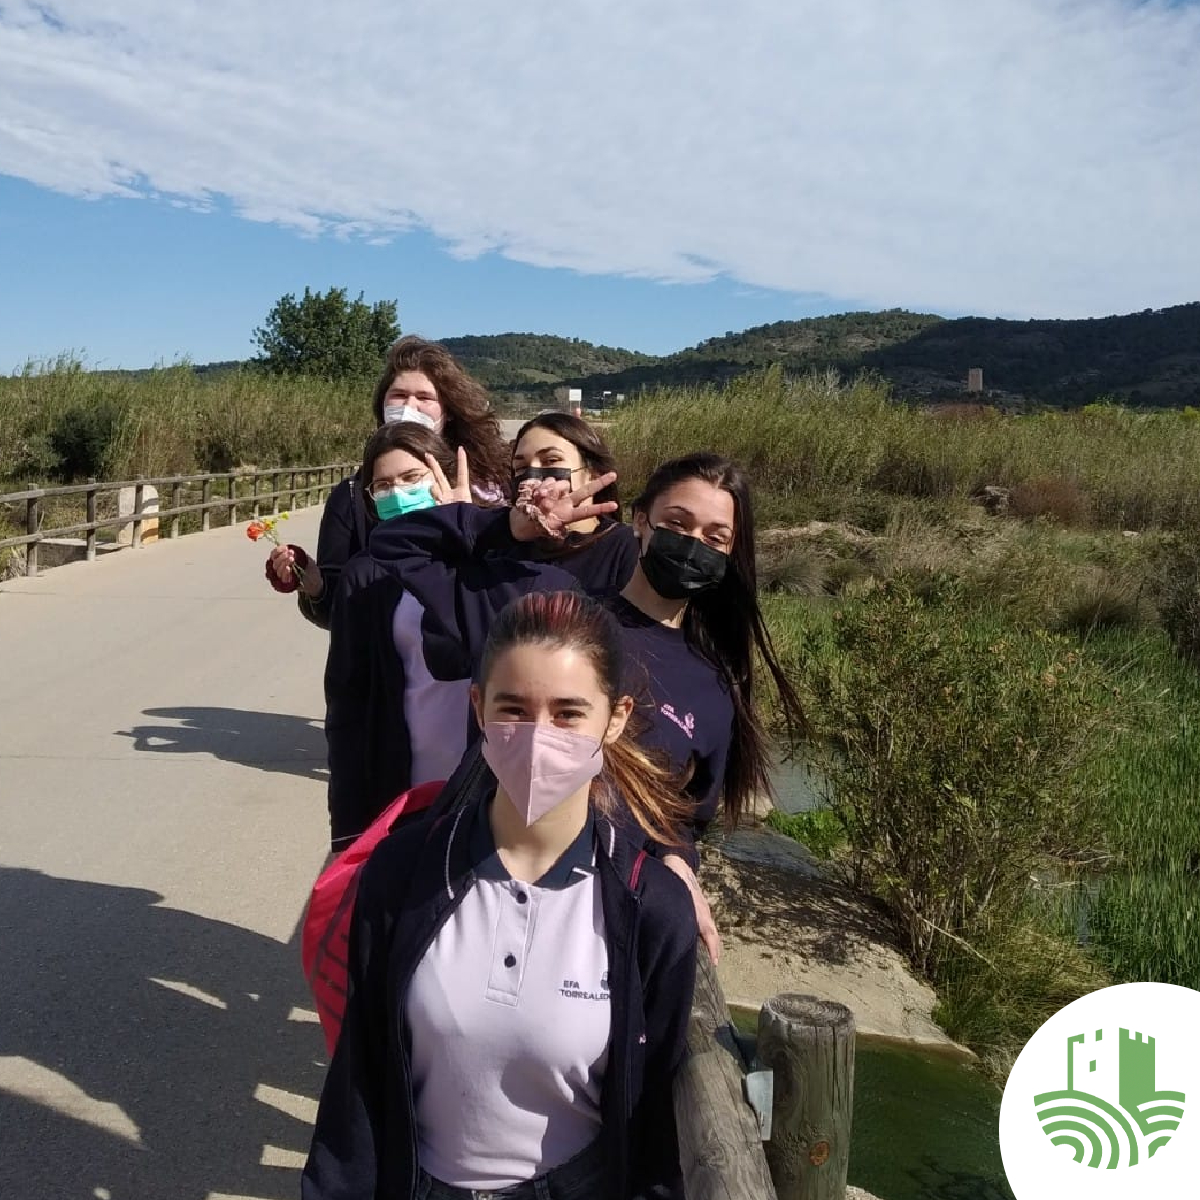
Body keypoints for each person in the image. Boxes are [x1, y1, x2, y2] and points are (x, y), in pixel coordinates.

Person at [303, 590, 698, 1200]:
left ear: (614, 719)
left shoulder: (652, 907)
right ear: (478, 708)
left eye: (569, 713)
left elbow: (657, 1130)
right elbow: (359, 1081)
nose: (539, 737)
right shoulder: (403, 872)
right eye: (513, 709)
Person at [323, 431, 618, 851]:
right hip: (400, 790)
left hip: (487, 786)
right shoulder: (365, 576)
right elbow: (347, 704)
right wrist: (348, 829)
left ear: (444, 476)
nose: (398, 493)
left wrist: (470, 529)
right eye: (383, 486)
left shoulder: (498, 566)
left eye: (411, 477)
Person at [266, 335, 510, 628]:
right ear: (382, 404)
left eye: (424, 397)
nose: (409, 406)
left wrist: (468, 528)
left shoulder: (490, 485)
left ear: (449, 410)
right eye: (398, 395)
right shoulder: (353, 496)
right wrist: (313, 583)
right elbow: (337, 612)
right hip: (384, 666)